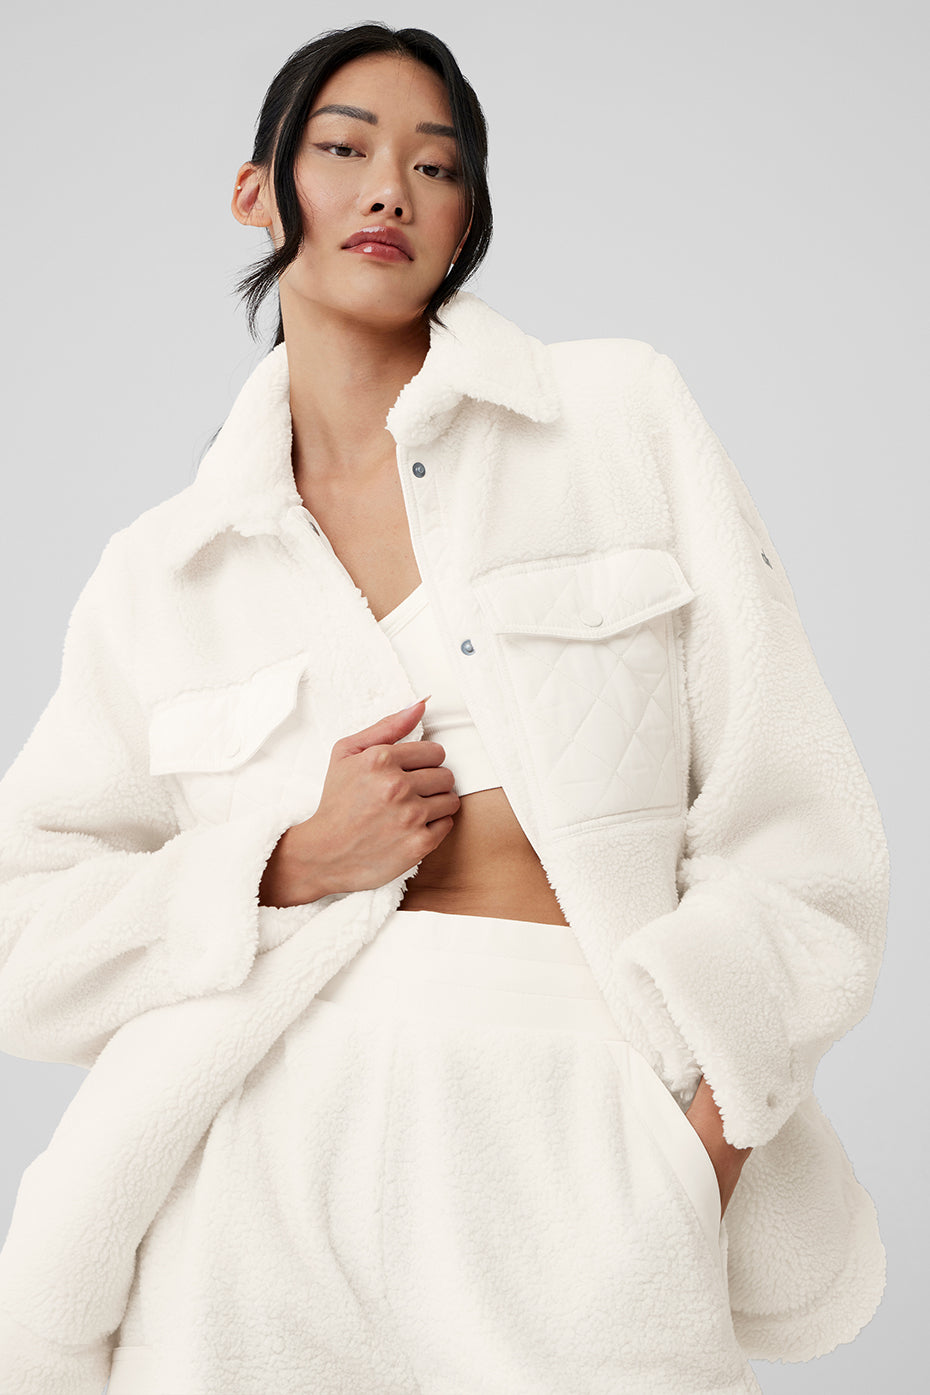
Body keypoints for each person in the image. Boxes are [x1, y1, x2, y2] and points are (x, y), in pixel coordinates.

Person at [0, 21, 889, 1395]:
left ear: (469, 214)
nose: (389, 191)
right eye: (343, 149)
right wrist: (278, 863)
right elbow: (25, 934)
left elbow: (797, 822)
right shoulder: (165, 571)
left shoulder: (615, 418)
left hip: (579, 1124)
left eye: (437, 164)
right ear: (257, 191)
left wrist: (696, 1144)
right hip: (255, 1175)